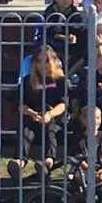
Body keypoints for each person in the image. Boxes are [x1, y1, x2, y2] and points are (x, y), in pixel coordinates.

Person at [8, 46, 67, 180]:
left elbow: (64, 104)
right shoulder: (27, 81)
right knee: (25, 129)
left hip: (54, 117)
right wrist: (32, 113)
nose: (42, 65)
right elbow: (20, 104)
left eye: (46, 61)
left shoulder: (60, 81)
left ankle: (47, 162)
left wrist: (49, 114)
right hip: (33, 116)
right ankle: (19, 162)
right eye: (39, 61)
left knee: (50, 129)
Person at [69, 106, 102, 182]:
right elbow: (79, 160)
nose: (95, 121)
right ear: (83, 119)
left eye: (98, 118)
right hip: (85, 170)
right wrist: (92, 172)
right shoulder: (78, 138)